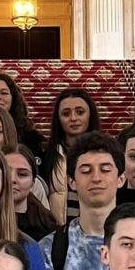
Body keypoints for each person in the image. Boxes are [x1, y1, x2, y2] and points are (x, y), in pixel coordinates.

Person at [40, 132, 126, 270]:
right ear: (71, 181)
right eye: (86, 171)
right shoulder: (50, 248)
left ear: (121, 179)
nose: (96, 178)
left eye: (105, 170)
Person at [45, 88, 100, 222]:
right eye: (66, 114)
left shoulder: (105, 152)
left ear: (90, 115)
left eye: (80, 112)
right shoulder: (49, 154)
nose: (73, 118)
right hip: (58, 227)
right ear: (58, 118)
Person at [7, 145, 60, 241]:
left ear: (33, 183)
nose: (12, 179)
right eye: (6, 173)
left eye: (22, 174)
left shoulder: (47, 226)